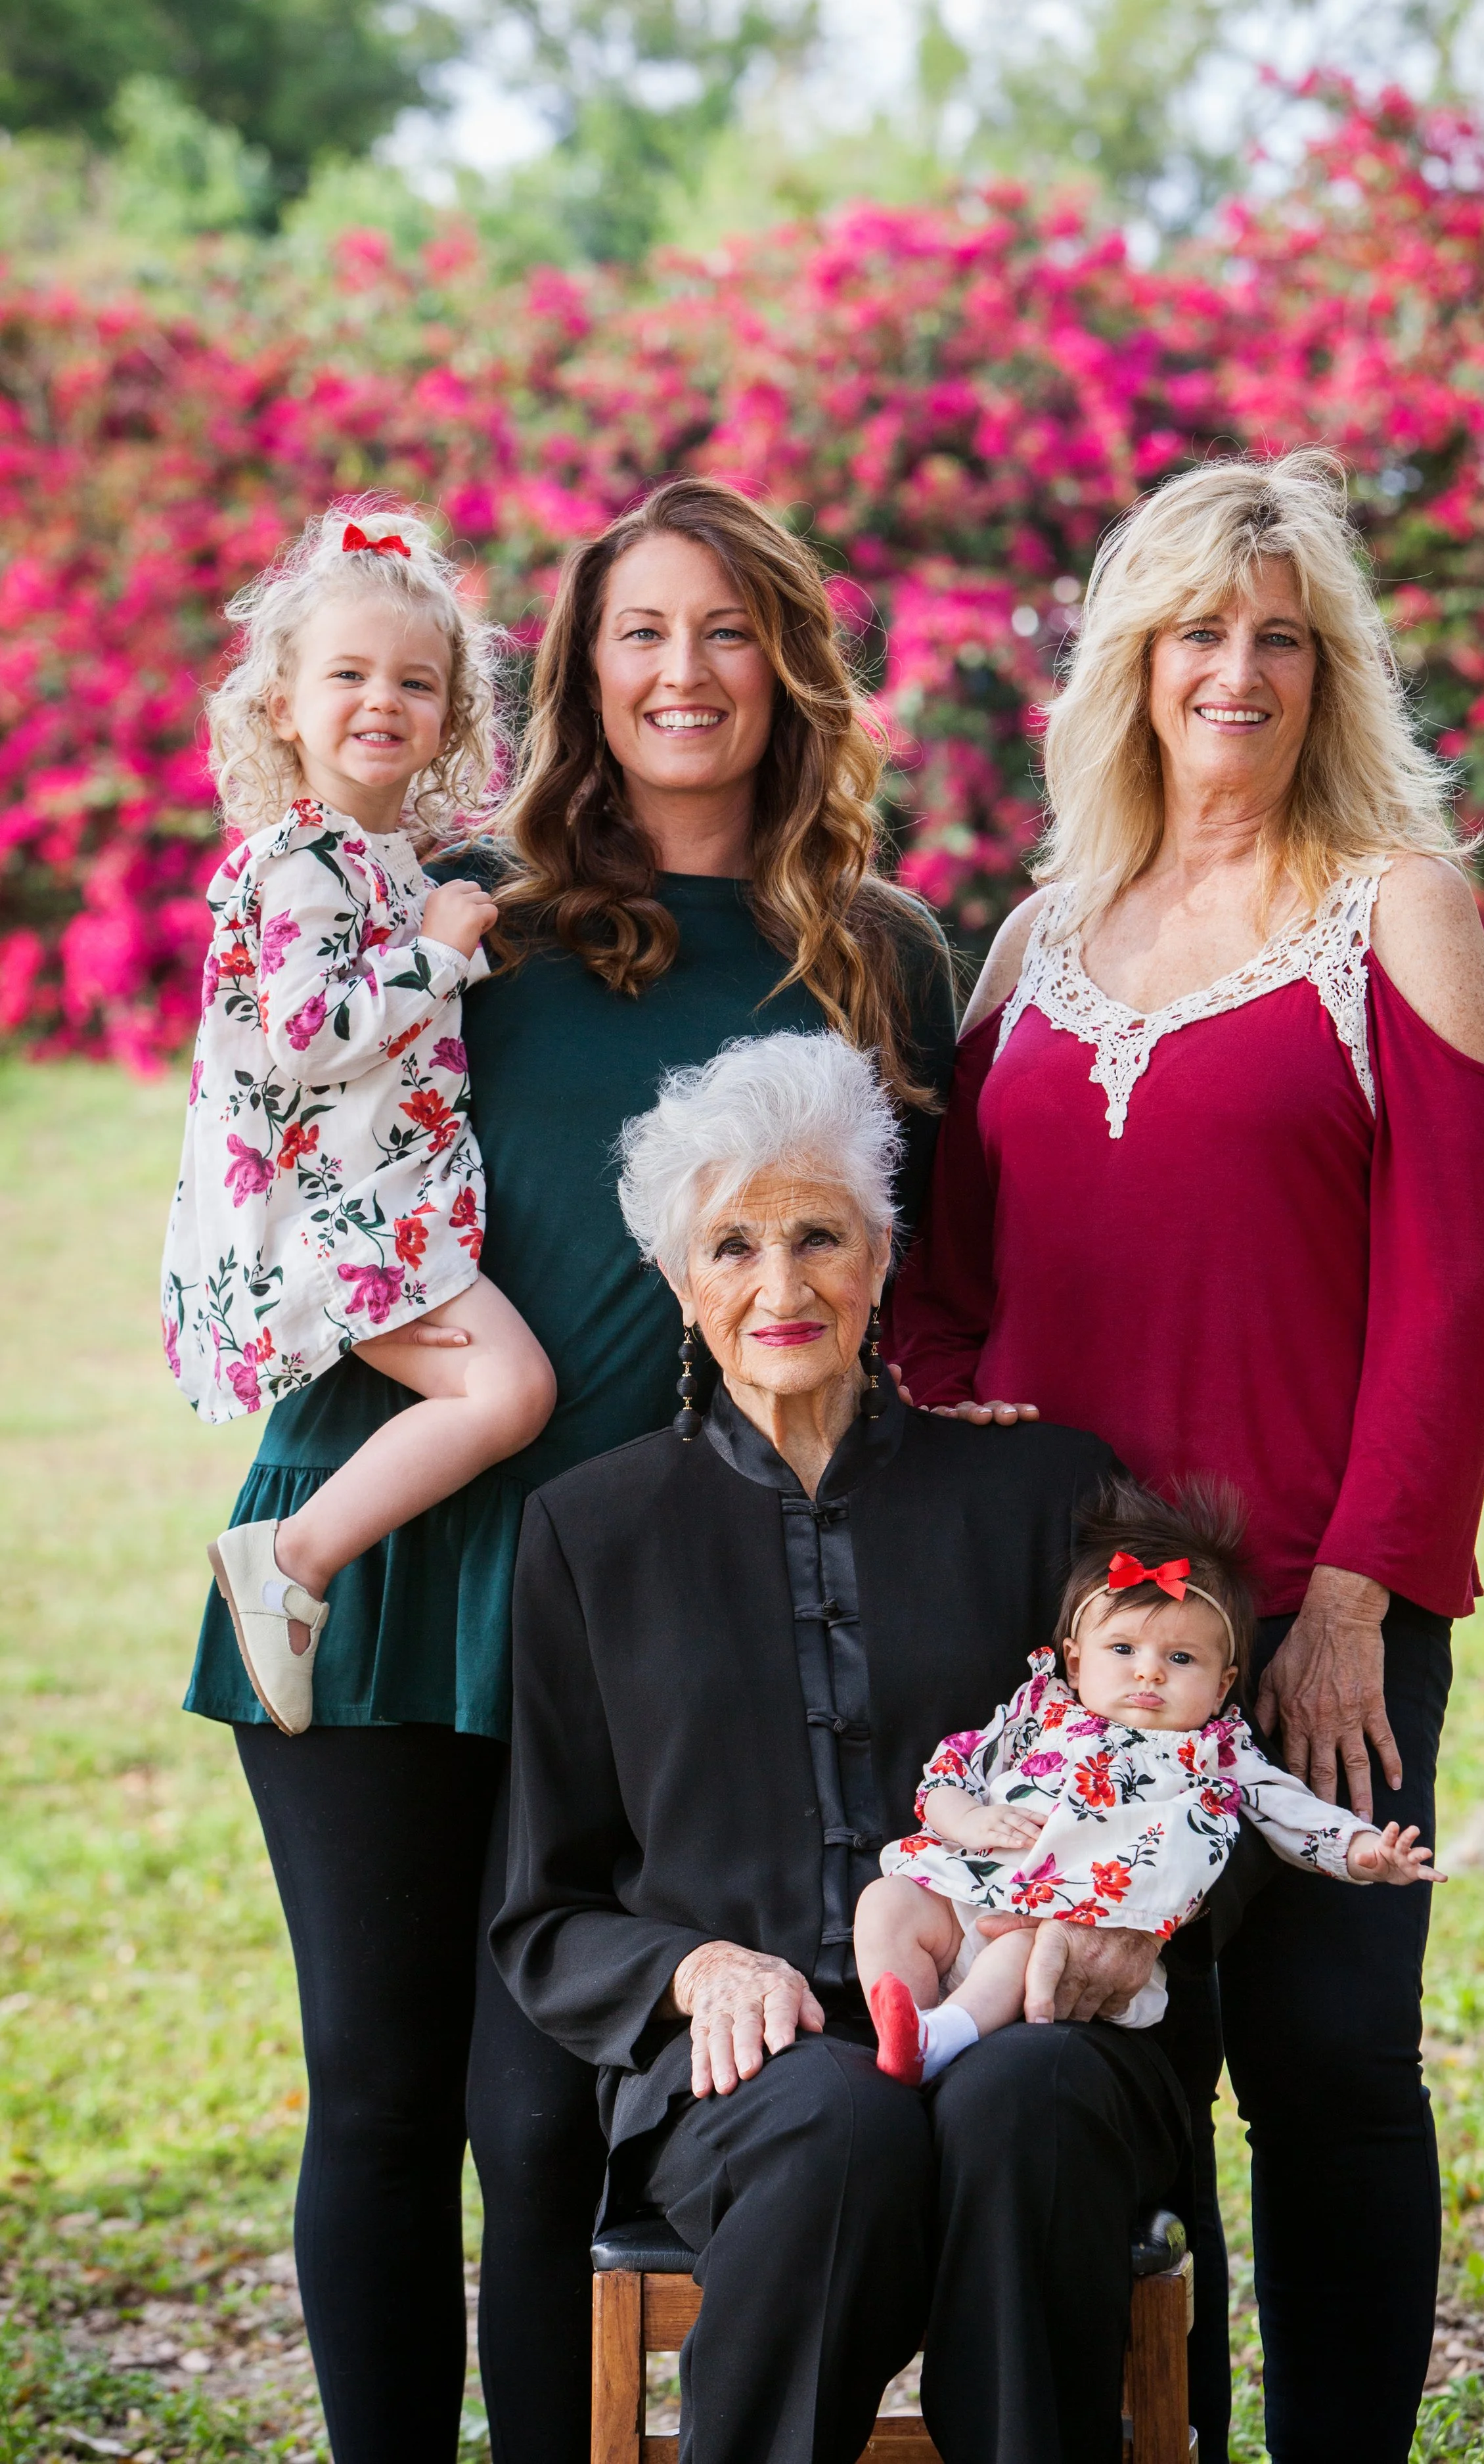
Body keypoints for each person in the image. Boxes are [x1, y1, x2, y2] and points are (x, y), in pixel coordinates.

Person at [181, 478, 958, 2464]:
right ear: (579, 672)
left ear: (785, 663)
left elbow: (919, 1295)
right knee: (371, 2089)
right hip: (382, 1548)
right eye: (636, 631)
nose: (681, 672)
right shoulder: (470, 917)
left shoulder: (873, 951)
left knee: (535, 2127)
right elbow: (266, 1136)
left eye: (723, 630)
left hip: (637, 1620)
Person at [888, 447, 1484, 2464]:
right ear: (1127, 664)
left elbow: (1452, 1291)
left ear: (1322, 666)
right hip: (1071, 1651)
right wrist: (962, 1438)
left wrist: (1347, 1593)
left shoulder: (1392, 910)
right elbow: (937, 1290)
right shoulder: (1030, 939)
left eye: (1272, 633)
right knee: (1114, 2061)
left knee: (1327, 2059)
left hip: (1315, 1605)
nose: (1230, 668)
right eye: (1190, 630)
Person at [493, 1031, 1191, 2464]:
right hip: (743, 2065)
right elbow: (543, 1904)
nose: (779, 1281)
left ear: (881, 1260)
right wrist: (690, 1968)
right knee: (831, 2126)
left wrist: (1143, 1929)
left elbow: (1194, 1763)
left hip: (1034, 1998)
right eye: (732, 1243)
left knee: (1025, 2094)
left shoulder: (1045, 1490)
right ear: (681, 1288)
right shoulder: (589, 1530)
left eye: (819, 1234)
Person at [163, 502, 556, 1735]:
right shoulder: (302, 857)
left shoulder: (383, 858)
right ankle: (293, 1557)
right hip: (335, 1216)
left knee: (502, 1395)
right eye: (348, 674)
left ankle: (300, 1561)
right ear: (283, 704)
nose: (382, 699)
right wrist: (439, 955)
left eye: (416, 681)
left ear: (449, 718)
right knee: (508, 1395)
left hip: (378, 1198)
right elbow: (307, 1032)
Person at [860, 1477, 1440, 2088]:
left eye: (1181, 1659)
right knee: (887, 1903)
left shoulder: (1216, 1749)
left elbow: (1292, 1811)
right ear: (1076, 1661)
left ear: (1222, 1685)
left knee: (1019, 1951)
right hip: (967, 1891)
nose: (1149, 1672)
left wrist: (1364, 1851)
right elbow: (948, 1774)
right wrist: (967, 1820)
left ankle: (938, 2040)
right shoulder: (1038, 1712)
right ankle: (907, 2032)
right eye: (1123, 1647)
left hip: (1065, 1927)